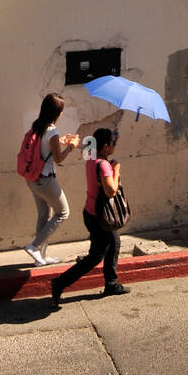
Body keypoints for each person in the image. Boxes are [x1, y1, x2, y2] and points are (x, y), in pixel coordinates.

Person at [50, 127, 129, 306]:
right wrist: (116, 170)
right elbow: (111, 191)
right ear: (106, 147)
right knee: (95, 256)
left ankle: (111, 283)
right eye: (113, 144)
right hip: (100, 217)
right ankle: (60, 283)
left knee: (114, 242)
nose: (114, 146)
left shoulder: (92, 159)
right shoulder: (104, 166)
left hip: (91, 212)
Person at [23, 93, 80, 267]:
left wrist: (60, 141)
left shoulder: (37, 126)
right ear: (57, 113)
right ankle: (34, 246)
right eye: (61, 110)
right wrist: (71, 147)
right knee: (63, 213)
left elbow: (44, 147)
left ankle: (40, 256)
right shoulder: (52, 131)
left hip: (31, 178)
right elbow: (59, 159)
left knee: (43, 214)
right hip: (46, 180)